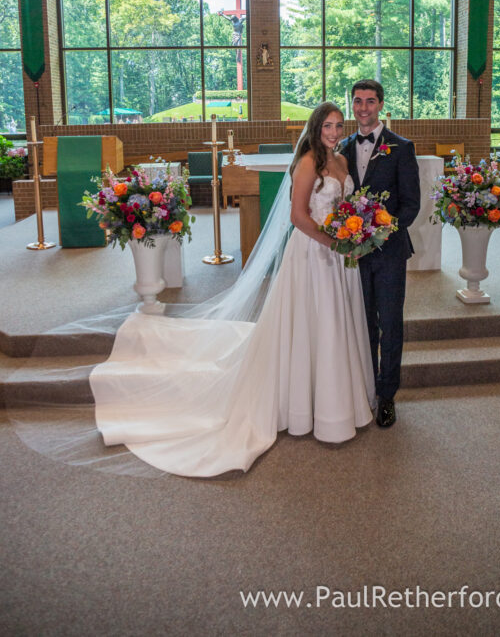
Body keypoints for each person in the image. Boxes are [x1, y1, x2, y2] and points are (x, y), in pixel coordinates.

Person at [89, 103, 375, 477]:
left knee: (336, 324)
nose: (334, 132)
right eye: (328, 126)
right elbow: (298, 216)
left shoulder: (341, 161)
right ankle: (306, 407)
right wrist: (331, 241)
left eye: (339, 126)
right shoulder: (308, 162)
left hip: (339, 254)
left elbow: (345, 204)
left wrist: (353, 230)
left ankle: (337, 401)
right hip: (313, 253)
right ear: (316, 127)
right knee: (313, 321)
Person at [340, 80, 421, 429]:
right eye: (357, 102)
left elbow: (411, 204)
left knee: (389, 323)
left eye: (370, 102)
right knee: (362, 323)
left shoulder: (400, 148)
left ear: (381, 105)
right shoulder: (341, 147)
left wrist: (380, 230)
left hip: (388, 252)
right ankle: (365, 387)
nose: (363, 108)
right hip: (355, 255)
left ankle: (387, 395)